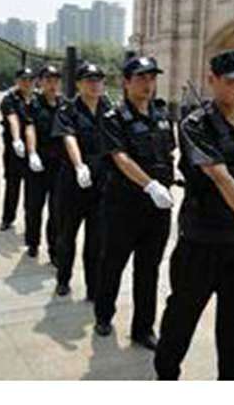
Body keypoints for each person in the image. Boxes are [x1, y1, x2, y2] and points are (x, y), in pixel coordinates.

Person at [154, 49, 234, 380]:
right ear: (212, 80)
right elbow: (219, 175)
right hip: (202, 241)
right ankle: (166, 375)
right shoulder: (195, 125)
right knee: (183, 316)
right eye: (233, 82)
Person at [93, 55, 175, 351]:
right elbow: (120, 157)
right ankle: (104, 315)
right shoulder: (113, 117)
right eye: (141, 78)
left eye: (152, 78)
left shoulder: (162, 114)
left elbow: (168, 154)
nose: (148, 84)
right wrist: (150, 185)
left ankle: (143, 328)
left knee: (148, 269)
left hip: (158, 209)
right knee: (112, 264)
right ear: (126, 82)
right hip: (123, 207)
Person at [50, 63, 112, 298]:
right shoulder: (68, 109)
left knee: (96, 239)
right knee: (67, 235)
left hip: (100, 183)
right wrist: (79, 165)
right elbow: (69, 137)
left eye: (98, 80)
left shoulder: (109, 108)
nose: (94, 84)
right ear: (78, 84)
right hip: (73, 182)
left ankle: (93, 287)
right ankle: (63, 279)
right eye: (89, 80)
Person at [24, 65, 64, 263]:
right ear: (40, 82)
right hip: (38, 164)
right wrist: (32, 153)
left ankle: (54, 248)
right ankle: (33, 242)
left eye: (56, 80)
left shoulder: (65, 105)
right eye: (48, 80)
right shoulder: (33, 104)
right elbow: (30, 128)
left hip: (59, 165)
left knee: (56, 209)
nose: (52, 84)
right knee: (34, 206)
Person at [0, 67, 34, 231]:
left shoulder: (37, 99)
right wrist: (17, 139)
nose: (27, 83)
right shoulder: (9, 99)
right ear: (17, 81)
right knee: (13, 185)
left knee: (32, 189)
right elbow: (13, 120)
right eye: (23, 79)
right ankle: (7, 218)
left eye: (30, 79)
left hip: (33, 151)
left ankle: (30, 222)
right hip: (14, 150)